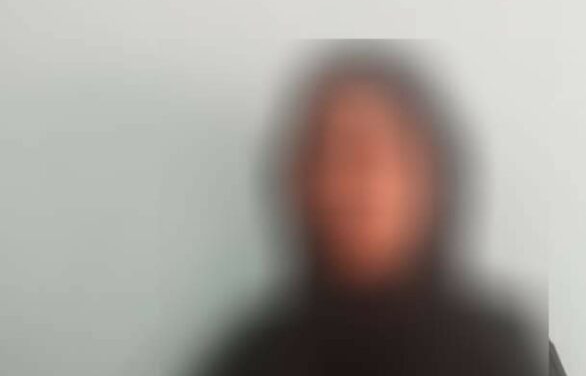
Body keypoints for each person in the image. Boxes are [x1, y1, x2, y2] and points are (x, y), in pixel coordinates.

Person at [201, 43, 566, 375]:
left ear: (433, 178)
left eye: (381, 154)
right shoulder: (252, 357)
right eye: (335, 155)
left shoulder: (506, 352)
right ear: (300, 182)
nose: (361, 181)